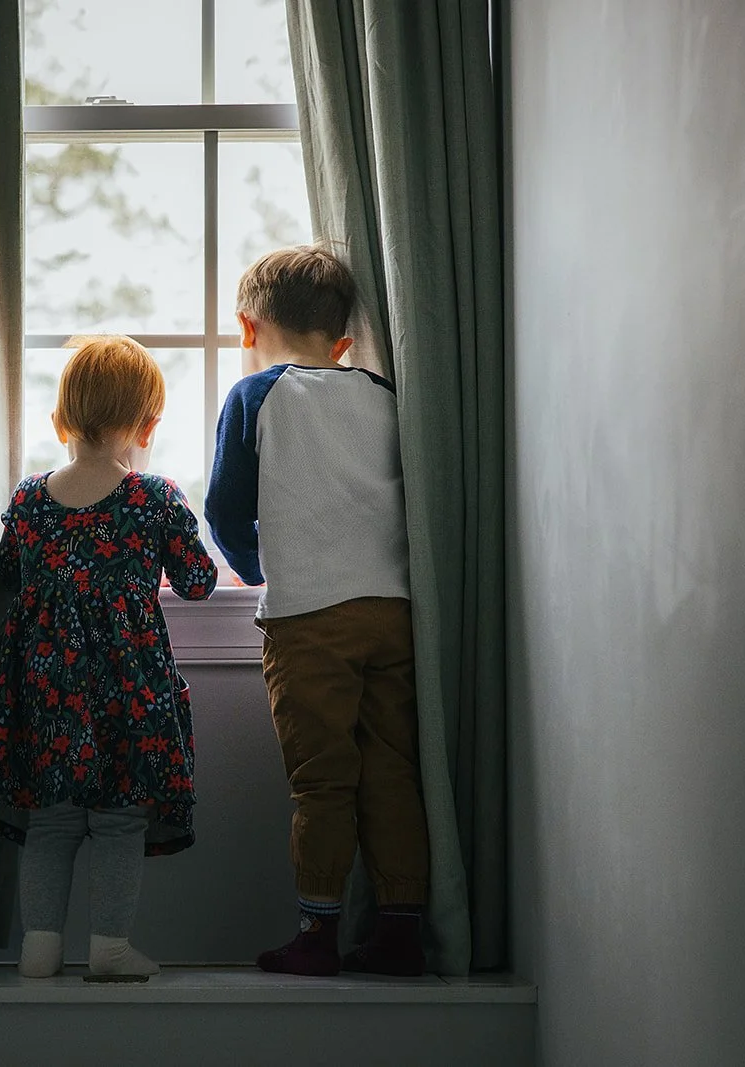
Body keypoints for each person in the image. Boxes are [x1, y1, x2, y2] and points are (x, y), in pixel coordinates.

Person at [0, 335, 217, 981]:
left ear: (60, 419)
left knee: (51, 818)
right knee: (121, 818)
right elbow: (198, 580)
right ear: (147, 425)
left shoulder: (30, 498)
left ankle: (38, 948)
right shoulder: (154, 497)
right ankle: (109, 945)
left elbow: (10, 569)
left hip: (45, 683)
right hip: (128, 684)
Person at [205, 246, 430, 977]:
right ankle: (400, 927)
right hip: (391, 609)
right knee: (392, 770)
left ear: (247, 326)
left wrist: (256, 569)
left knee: (323, 779)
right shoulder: (381, 390)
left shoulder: (256, 396)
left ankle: (318, 931)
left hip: (310, 617)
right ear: (342, 338)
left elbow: (226, 509)